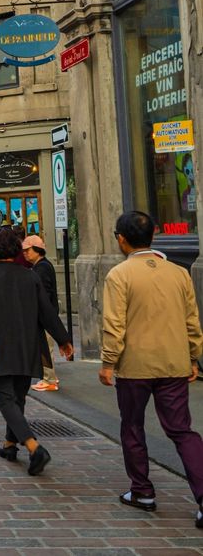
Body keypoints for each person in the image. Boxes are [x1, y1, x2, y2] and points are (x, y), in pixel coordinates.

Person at [100, 210, 203, 524]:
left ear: (121, 238)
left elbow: (114, 324)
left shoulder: (119, 275)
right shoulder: (178, 273)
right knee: (182, 430)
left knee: (132, 425)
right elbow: (191, 321)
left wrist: (108, 362)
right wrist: (193, 356)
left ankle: (142, 490)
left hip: (135, 365)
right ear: (153, 235)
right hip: (173, 363)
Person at [0, 226, 73, 476]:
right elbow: (47, 311)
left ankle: (34, 447)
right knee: (18, 396)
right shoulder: (30, 276)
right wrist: (63, 339)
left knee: (4, 397)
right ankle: (10, 444)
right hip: (28, 344)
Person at [22, 235, 60, 392]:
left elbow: (44, 294)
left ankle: (49, 379)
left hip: (45, 315)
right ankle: (48, 377)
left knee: (45, 347)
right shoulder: (40, 266)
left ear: (37, 250)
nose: (25, 253)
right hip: (46, 314)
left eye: (27, 250)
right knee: (44, 346)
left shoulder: (42, 267)